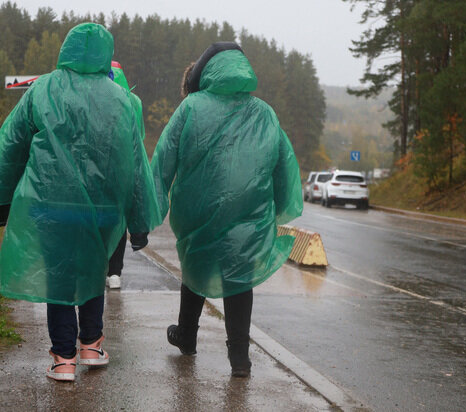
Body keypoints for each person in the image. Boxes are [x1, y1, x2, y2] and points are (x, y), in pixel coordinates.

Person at [0, 23, 161, 382]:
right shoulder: (121, 99)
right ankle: (91, 343)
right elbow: (135, 165)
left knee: (58, 277)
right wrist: (139, 222)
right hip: (103, 211)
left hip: (50, 203)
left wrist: (1, 199)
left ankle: (63, 358)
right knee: (94, 268)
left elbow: (11, 146)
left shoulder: (43, 89)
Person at [151, 42, 303, 377]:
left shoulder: (190, 107)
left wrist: (150, 207)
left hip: (197, 211)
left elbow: (164, 159)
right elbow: (284, 166)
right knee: (239, 279)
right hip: (247, 215)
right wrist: (279, 208)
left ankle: (186, 336)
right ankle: (240, 359)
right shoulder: (264, 113)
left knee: (195, 269)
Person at [106, 61, 148, 289]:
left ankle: (100, 267)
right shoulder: (133, 101)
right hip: (123, 170)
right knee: (119, 221)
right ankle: (115, 272)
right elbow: (138, 136)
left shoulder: (96, 94)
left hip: (97, 170)